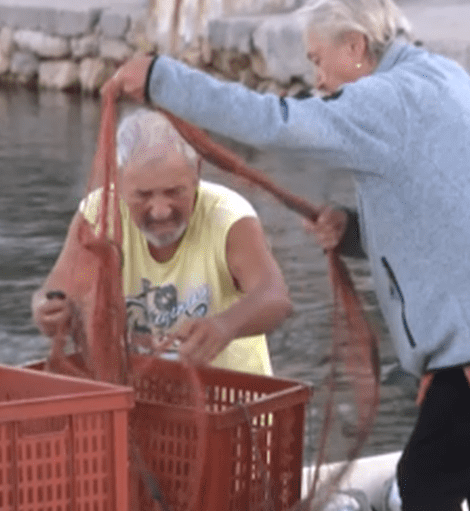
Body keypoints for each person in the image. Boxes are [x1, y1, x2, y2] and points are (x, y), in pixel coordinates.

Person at [105, 0, 470, 511]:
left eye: (319, 60)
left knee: (426, 480)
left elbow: (274, 123)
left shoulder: (381, 98)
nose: (318, 80)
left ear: (356, 47)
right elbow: (455, 210)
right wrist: (355, 231)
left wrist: (162, 77)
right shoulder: (442, 77)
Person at [32, 108, 293, 377]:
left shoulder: (227, 216)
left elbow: (275, 297)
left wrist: (225, 326)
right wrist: (48, 310)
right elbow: (55, 291)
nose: (160, 210)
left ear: (197, 174)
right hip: (141, 396)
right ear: (118, 182)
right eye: (143, 196)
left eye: (174, 192)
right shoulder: (98, 215)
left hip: (233, 399)